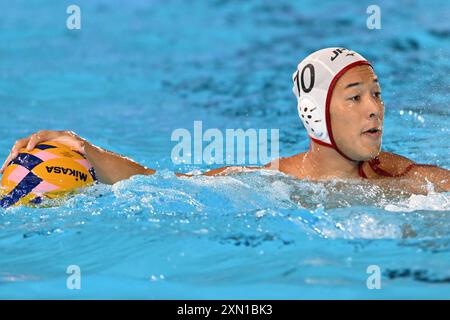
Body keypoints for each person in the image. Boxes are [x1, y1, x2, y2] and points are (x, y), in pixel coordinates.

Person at [1, 47, 449, 193]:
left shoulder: (399, 176)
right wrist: (87, 151)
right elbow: (168, 183)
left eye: (377, 94)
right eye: (355, 97)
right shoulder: (271, 181)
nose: (374, 107)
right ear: (316, 113)